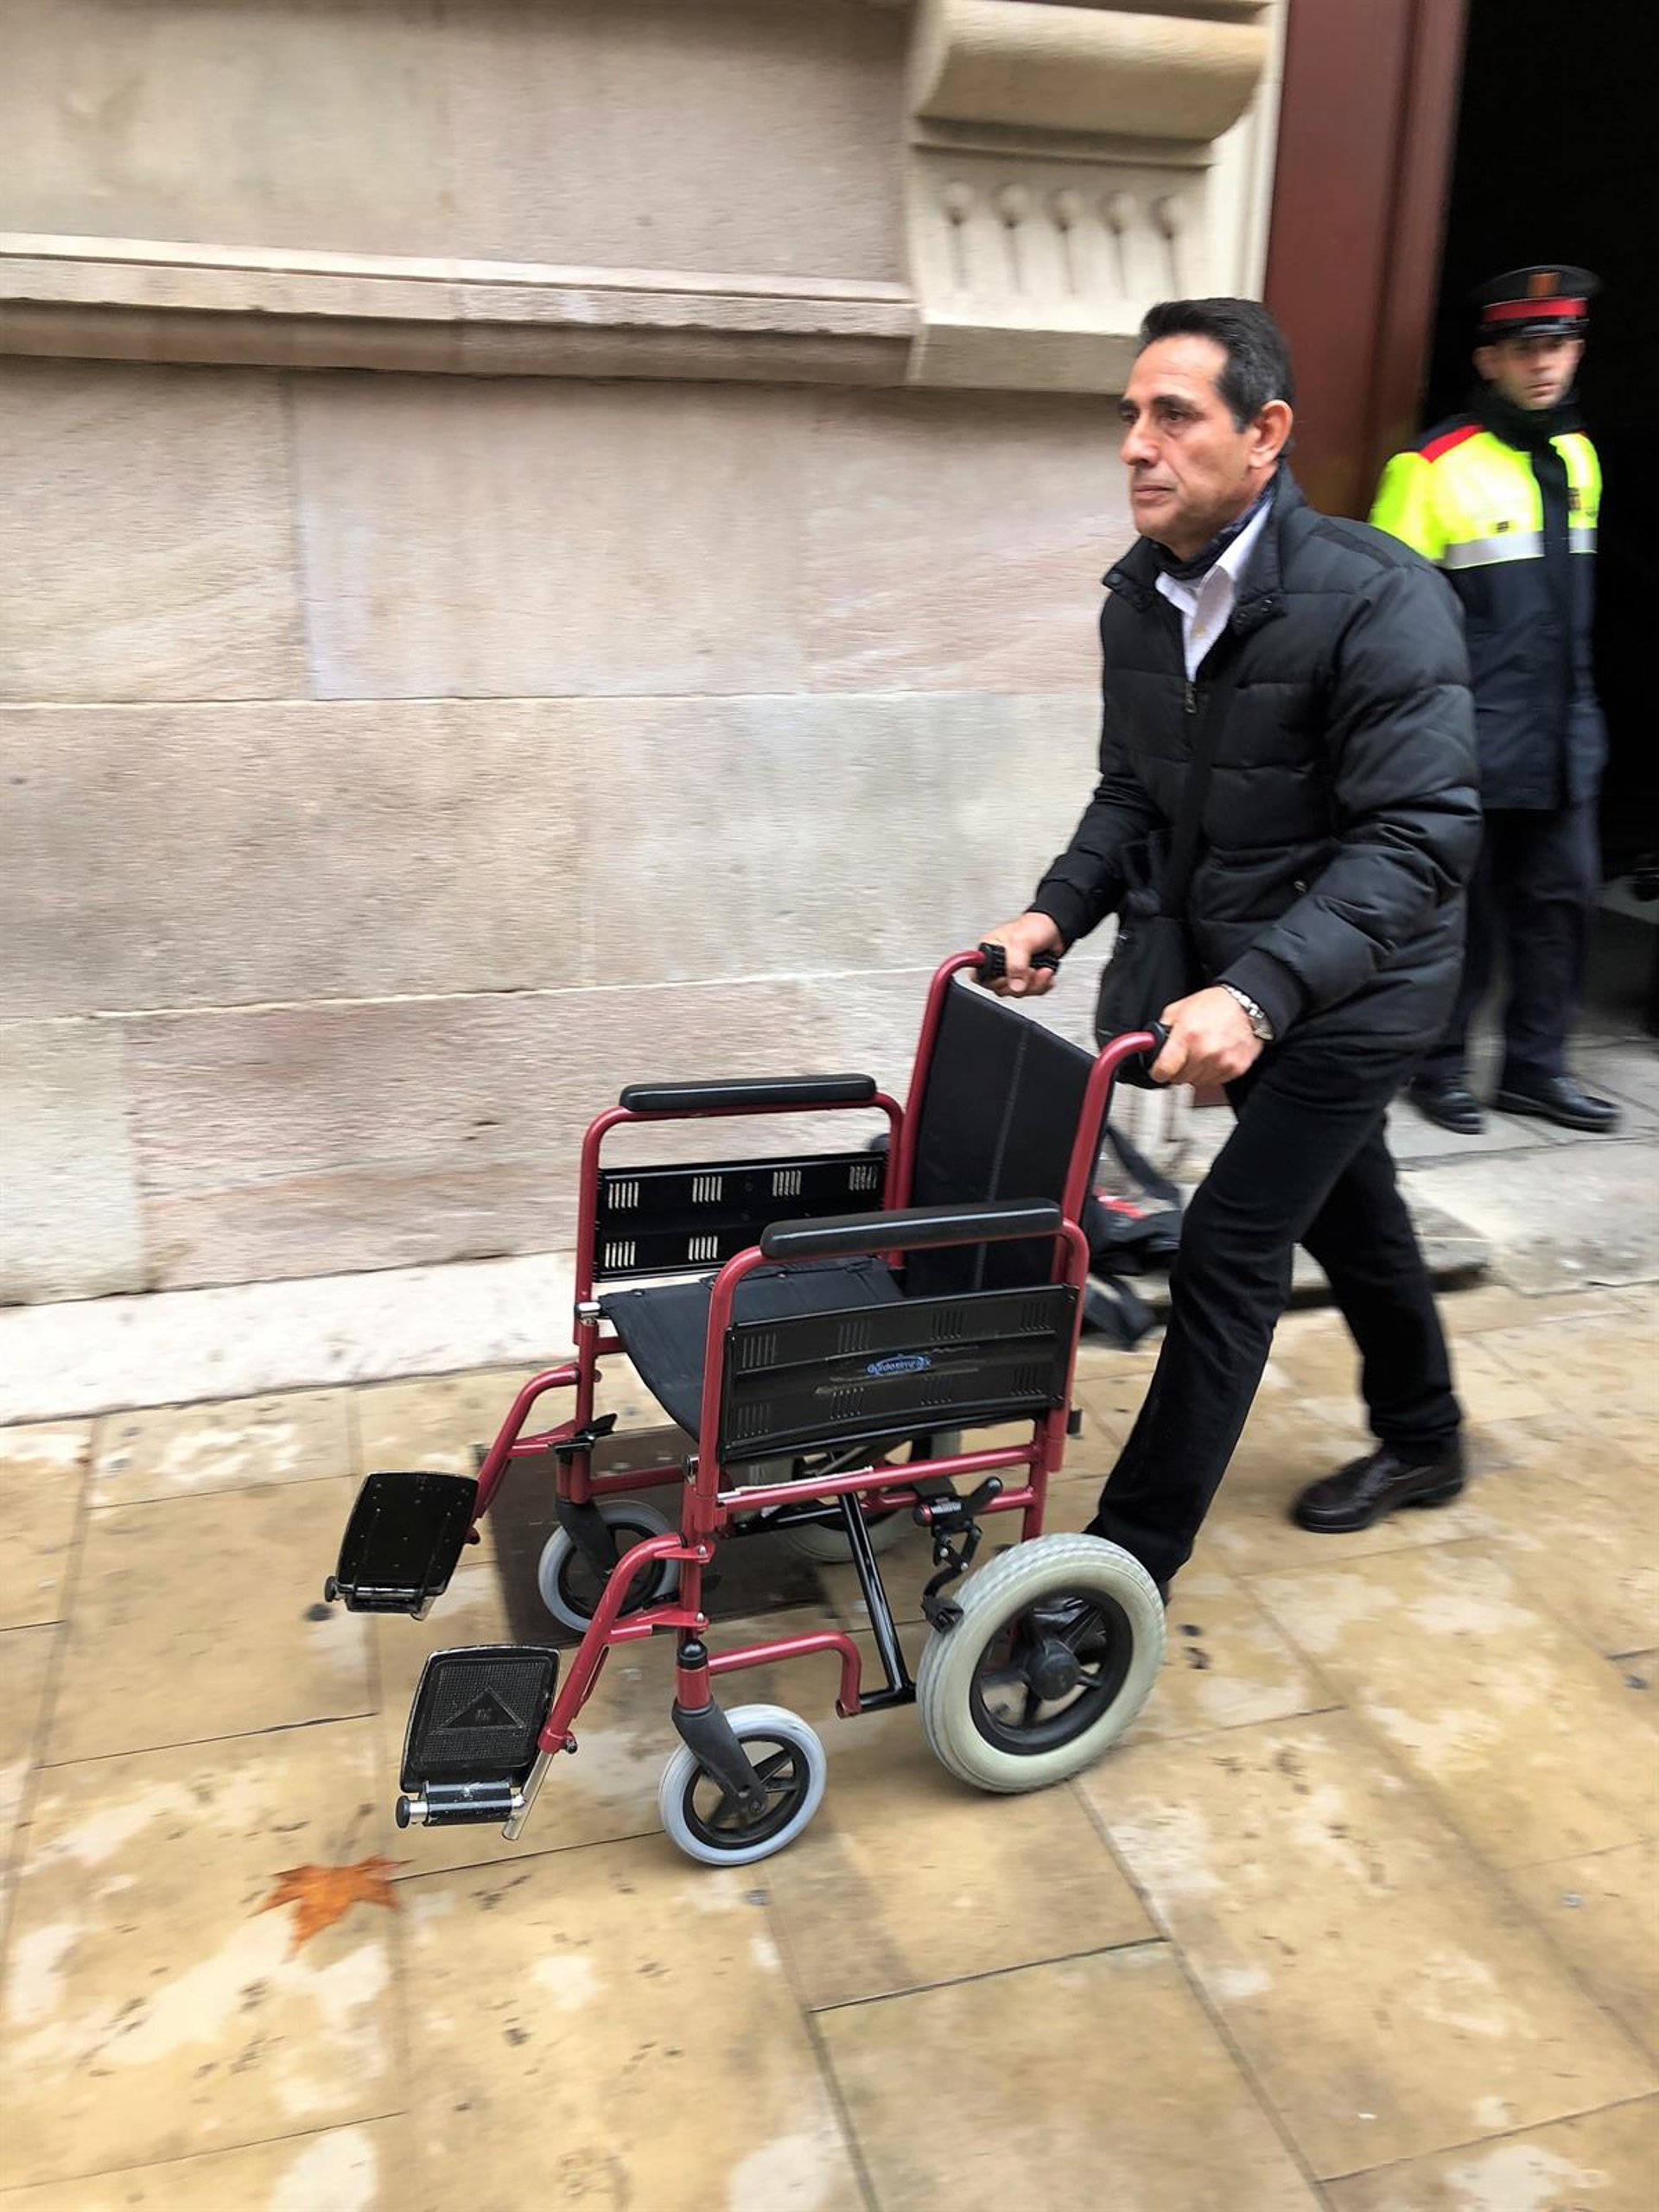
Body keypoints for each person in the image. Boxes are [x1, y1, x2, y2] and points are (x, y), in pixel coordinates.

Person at [978, 297, 1481, 1590]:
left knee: (1229, 1243)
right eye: (1130, 417)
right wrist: (1055, 911)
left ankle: (1121, 1569)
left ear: (1265, 433)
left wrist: (1256, 996)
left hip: (1362, 986)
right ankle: (1426, 1435)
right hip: (1240, 977)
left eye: (1173, 415)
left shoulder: (1380, 597)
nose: (1136, 445)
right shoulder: (1143, 601)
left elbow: (1419, 837)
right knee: (1354, 1210)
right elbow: (1134, 794)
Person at [1371, 265, 1620, 1135]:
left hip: (1562, 734)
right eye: (1525, 348)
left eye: (1559, 346)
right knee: (1457, 919)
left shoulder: (1579, 456)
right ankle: (1436, 1066)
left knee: (1561, 909)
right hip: (1469, 737)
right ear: (1489, 359)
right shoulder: (1429, 467)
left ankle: (1534, 1071)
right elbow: (1387, 621)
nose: (1544, 364)